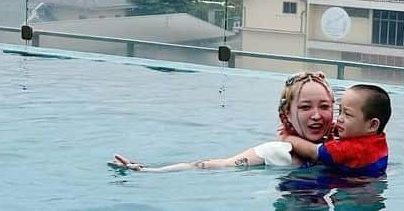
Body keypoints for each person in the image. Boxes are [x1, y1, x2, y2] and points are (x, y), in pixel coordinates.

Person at [112, 70, 334, 171]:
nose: (316, 115)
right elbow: (218, 164)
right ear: (285, 115)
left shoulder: (343, 147)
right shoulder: (277, 152)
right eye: (305, 107)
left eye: (324, 107)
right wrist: (147, 170)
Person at [280, 83, 390, 177]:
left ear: (373, 125)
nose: (340, 119)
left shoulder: (352, 149)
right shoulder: (377, 141)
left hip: (351, 195)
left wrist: (288, 138)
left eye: (347, 114)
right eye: (340, 111)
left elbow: (313, 151)